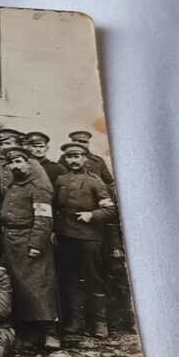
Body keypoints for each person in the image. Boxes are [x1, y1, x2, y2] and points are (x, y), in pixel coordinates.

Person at [54, 142, 118, 337]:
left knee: (93, 278)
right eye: (69, 157)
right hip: (66, 238)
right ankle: (76, 322)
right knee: (70, 279)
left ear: (84, 158)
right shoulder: (60, 180)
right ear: (65, 159)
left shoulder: (95, 181)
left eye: (77, 156)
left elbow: (110, 209)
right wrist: (54, 230)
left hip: (90, 238)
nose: (73, 160)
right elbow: (56, 208)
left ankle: (100, 323)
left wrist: (91, 215)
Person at [0, 147, 59, 351]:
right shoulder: (11, 186)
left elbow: (44, 218)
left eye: (19, 161)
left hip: (30, 240)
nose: (15, 165)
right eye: (12, 162)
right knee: (18, 288)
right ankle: (28, 333)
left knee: (39, 286)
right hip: (11, 242)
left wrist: (36, 244)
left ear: (28, 163)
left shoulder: (39, 187)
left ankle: (50, 332)